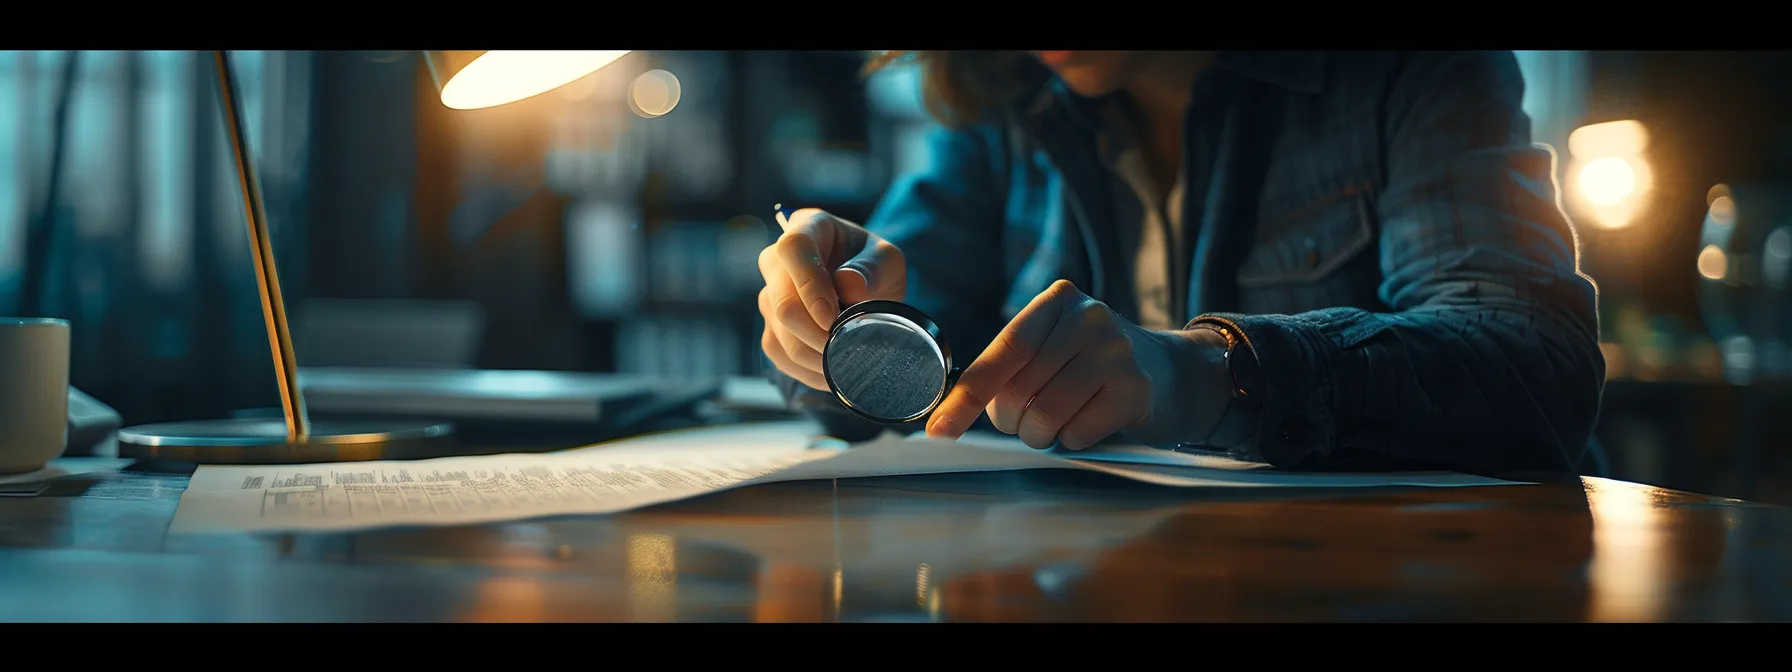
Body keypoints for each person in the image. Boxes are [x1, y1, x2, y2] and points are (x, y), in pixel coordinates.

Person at [756, 50, 1606, 475]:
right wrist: (830, 330)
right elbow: (888, 355)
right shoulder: (1006, 101)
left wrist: (1211, 373)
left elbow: (1534, 362)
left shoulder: (1403, 68)